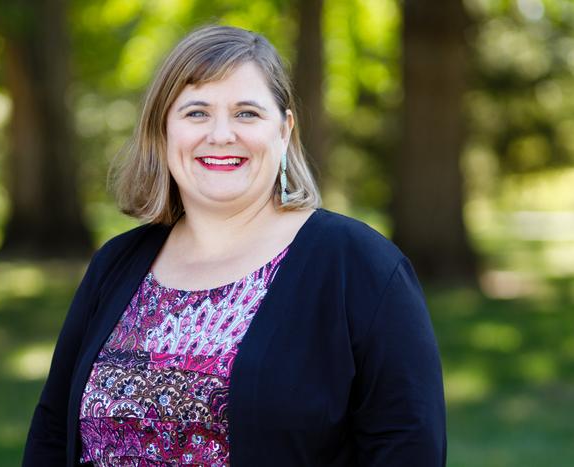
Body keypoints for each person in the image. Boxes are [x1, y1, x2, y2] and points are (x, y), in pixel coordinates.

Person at [22, 25, 446, 467]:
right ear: (163, 130)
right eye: (197, 113)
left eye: (246, 113)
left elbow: (408, 447)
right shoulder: (117, 264)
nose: (221, 134)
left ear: (284, 131)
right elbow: (53, 431)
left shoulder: (359, 266)